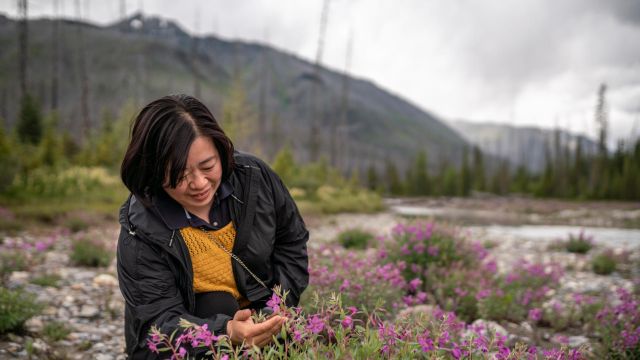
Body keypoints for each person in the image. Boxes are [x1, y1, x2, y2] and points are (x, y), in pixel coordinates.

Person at [116, 94, 309, 358]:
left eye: (208, 165)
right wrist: (226, 331)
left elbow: (292, 242)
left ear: (221, 150)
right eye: (180, 175)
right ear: (155, 172)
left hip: (256, 318)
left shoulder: (254, 177)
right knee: (217, 303)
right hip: (181, 344)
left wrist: (275, 310)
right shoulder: (140, 228)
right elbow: (157, 322)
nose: (199, 183)